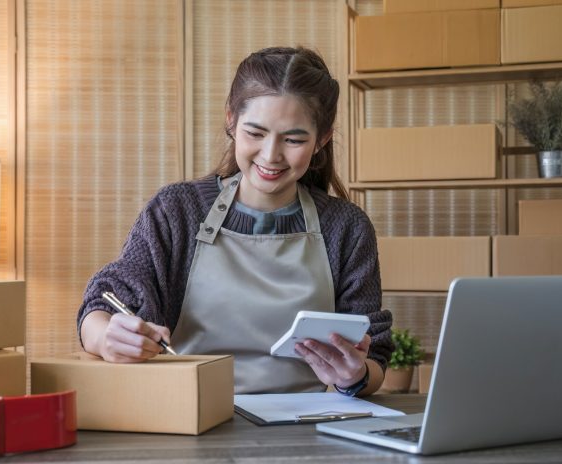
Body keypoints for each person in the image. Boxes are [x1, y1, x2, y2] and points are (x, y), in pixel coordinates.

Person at [77, 46, 393, 396]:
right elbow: (103, 304)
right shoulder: (177, 211)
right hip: (192, 421)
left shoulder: (346, 227)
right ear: (231, 119)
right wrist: (107, 337)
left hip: (305, 430)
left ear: (322, 139)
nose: (271, 155)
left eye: (293, 139)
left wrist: (355, 375)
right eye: (255, 133)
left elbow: (373, 358)